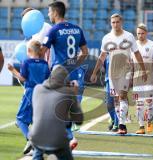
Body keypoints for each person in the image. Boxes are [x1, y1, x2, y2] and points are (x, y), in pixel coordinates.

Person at [41, 1, 88, 149]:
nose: (48, 15)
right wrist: (73, 64)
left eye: (49, 12)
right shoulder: (77, 29)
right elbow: (85, 52)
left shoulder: (54, 30)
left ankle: (68, 137)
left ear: (55, 13)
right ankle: (65, 137)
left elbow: (41, 51)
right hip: (73, 73)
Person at [90, 13, 147, 134]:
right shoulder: (106, 38)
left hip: (125, 71)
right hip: (112, 72)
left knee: (122, 96)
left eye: (117, 22)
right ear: (111, 23)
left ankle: (122, 125)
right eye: (113, 22)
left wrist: (142, 69)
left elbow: (137, 54)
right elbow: (102, 56)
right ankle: (121, 122)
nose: (115, 24)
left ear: (121, 22)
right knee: (116, 99)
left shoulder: (129, 36)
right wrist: (94, 73)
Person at [29, 65, 83, 160]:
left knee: (38, 147)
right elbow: (79, 120)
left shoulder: (37, 89)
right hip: (57, 140)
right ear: (66, 80)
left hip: (35, 137)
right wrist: (74, 94)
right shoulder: (68, 93)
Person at [7, 40, 50, 154]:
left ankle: (30, 139)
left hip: (30, 93)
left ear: (29, 50)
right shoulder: (45, 64)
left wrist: (12, 70)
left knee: (20, 119)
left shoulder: (26, 62)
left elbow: (22, 78)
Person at [131, 23, 153, 134]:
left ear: (146, 33)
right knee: (139, 104)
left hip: (149, 77)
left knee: (149, 101)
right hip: (137, 78)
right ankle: (141, 126)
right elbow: (130, 63)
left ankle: (149, 121)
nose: (140, 35)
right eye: (138, 33)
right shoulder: (133, 46)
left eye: (142, 33)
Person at [104, 55, 119, 132]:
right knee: (108, 104)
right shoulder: (107, 56)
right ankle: (113, 120)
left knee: (116, 103)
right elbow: (104, 66)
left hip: (117, 80)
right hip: (108, 81)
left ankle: (116, 124)